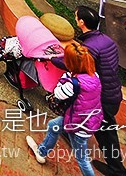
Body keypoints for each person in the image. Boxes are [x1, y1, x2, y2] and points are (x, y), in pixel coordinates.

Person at [26, 41, 103, 175]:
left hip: (78, 124)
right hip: (89, 118)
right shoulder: (94, 76)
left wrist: (65, 77)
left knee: (82, 159)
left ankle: (42, 152)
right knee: (53, 126)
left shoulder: (73, 83)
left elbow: (58, 94)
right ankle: (41, 152)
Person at [74, 6, 126, 176]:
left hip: (102, 99)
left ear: (81, 22)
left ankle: (117, 171)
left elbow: (77, 66)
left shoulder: (90, 47)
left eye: (76, 17)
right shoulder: (106, 40)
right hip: (113, 93)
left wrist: (53, 58)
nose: (75, 18)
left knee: (106, 136)